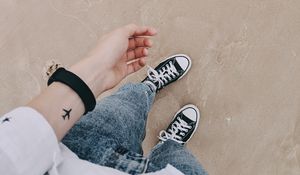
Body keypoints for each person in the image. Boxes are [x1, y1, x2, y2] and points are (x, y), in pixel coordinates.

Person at [0, 24, 207, 175]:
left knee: (127, 107)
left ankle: (148, 88)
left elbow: (11, 152)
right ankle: (169, 144)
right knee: (176, 160)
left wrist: (95, 71)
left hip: (80, 150)